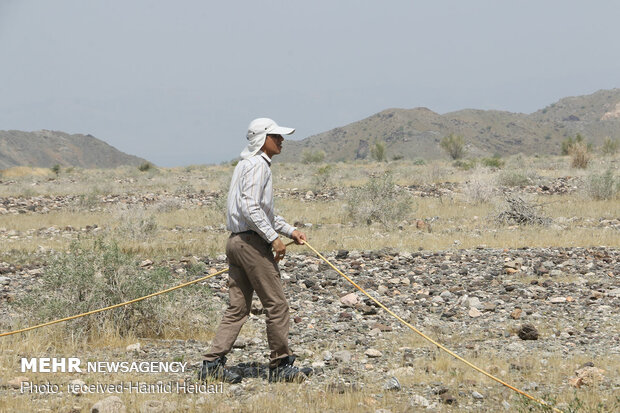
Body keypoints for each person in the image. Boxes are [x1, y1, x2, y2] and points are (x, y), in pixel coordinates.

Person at [199, 118, 309, 384]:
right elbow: (251, 208)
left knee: (237, 308)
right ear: (262, 139)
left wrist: (290, 231)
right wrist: (273, 238)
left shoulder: (245, 165)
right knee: (277, 304)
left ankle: (212, 364)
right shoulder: (258, 165)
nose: (281, 140)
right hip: (251, 244)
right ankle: (281, 365)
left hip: (236, 242)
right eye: (276, 136)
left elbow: (262, 212)